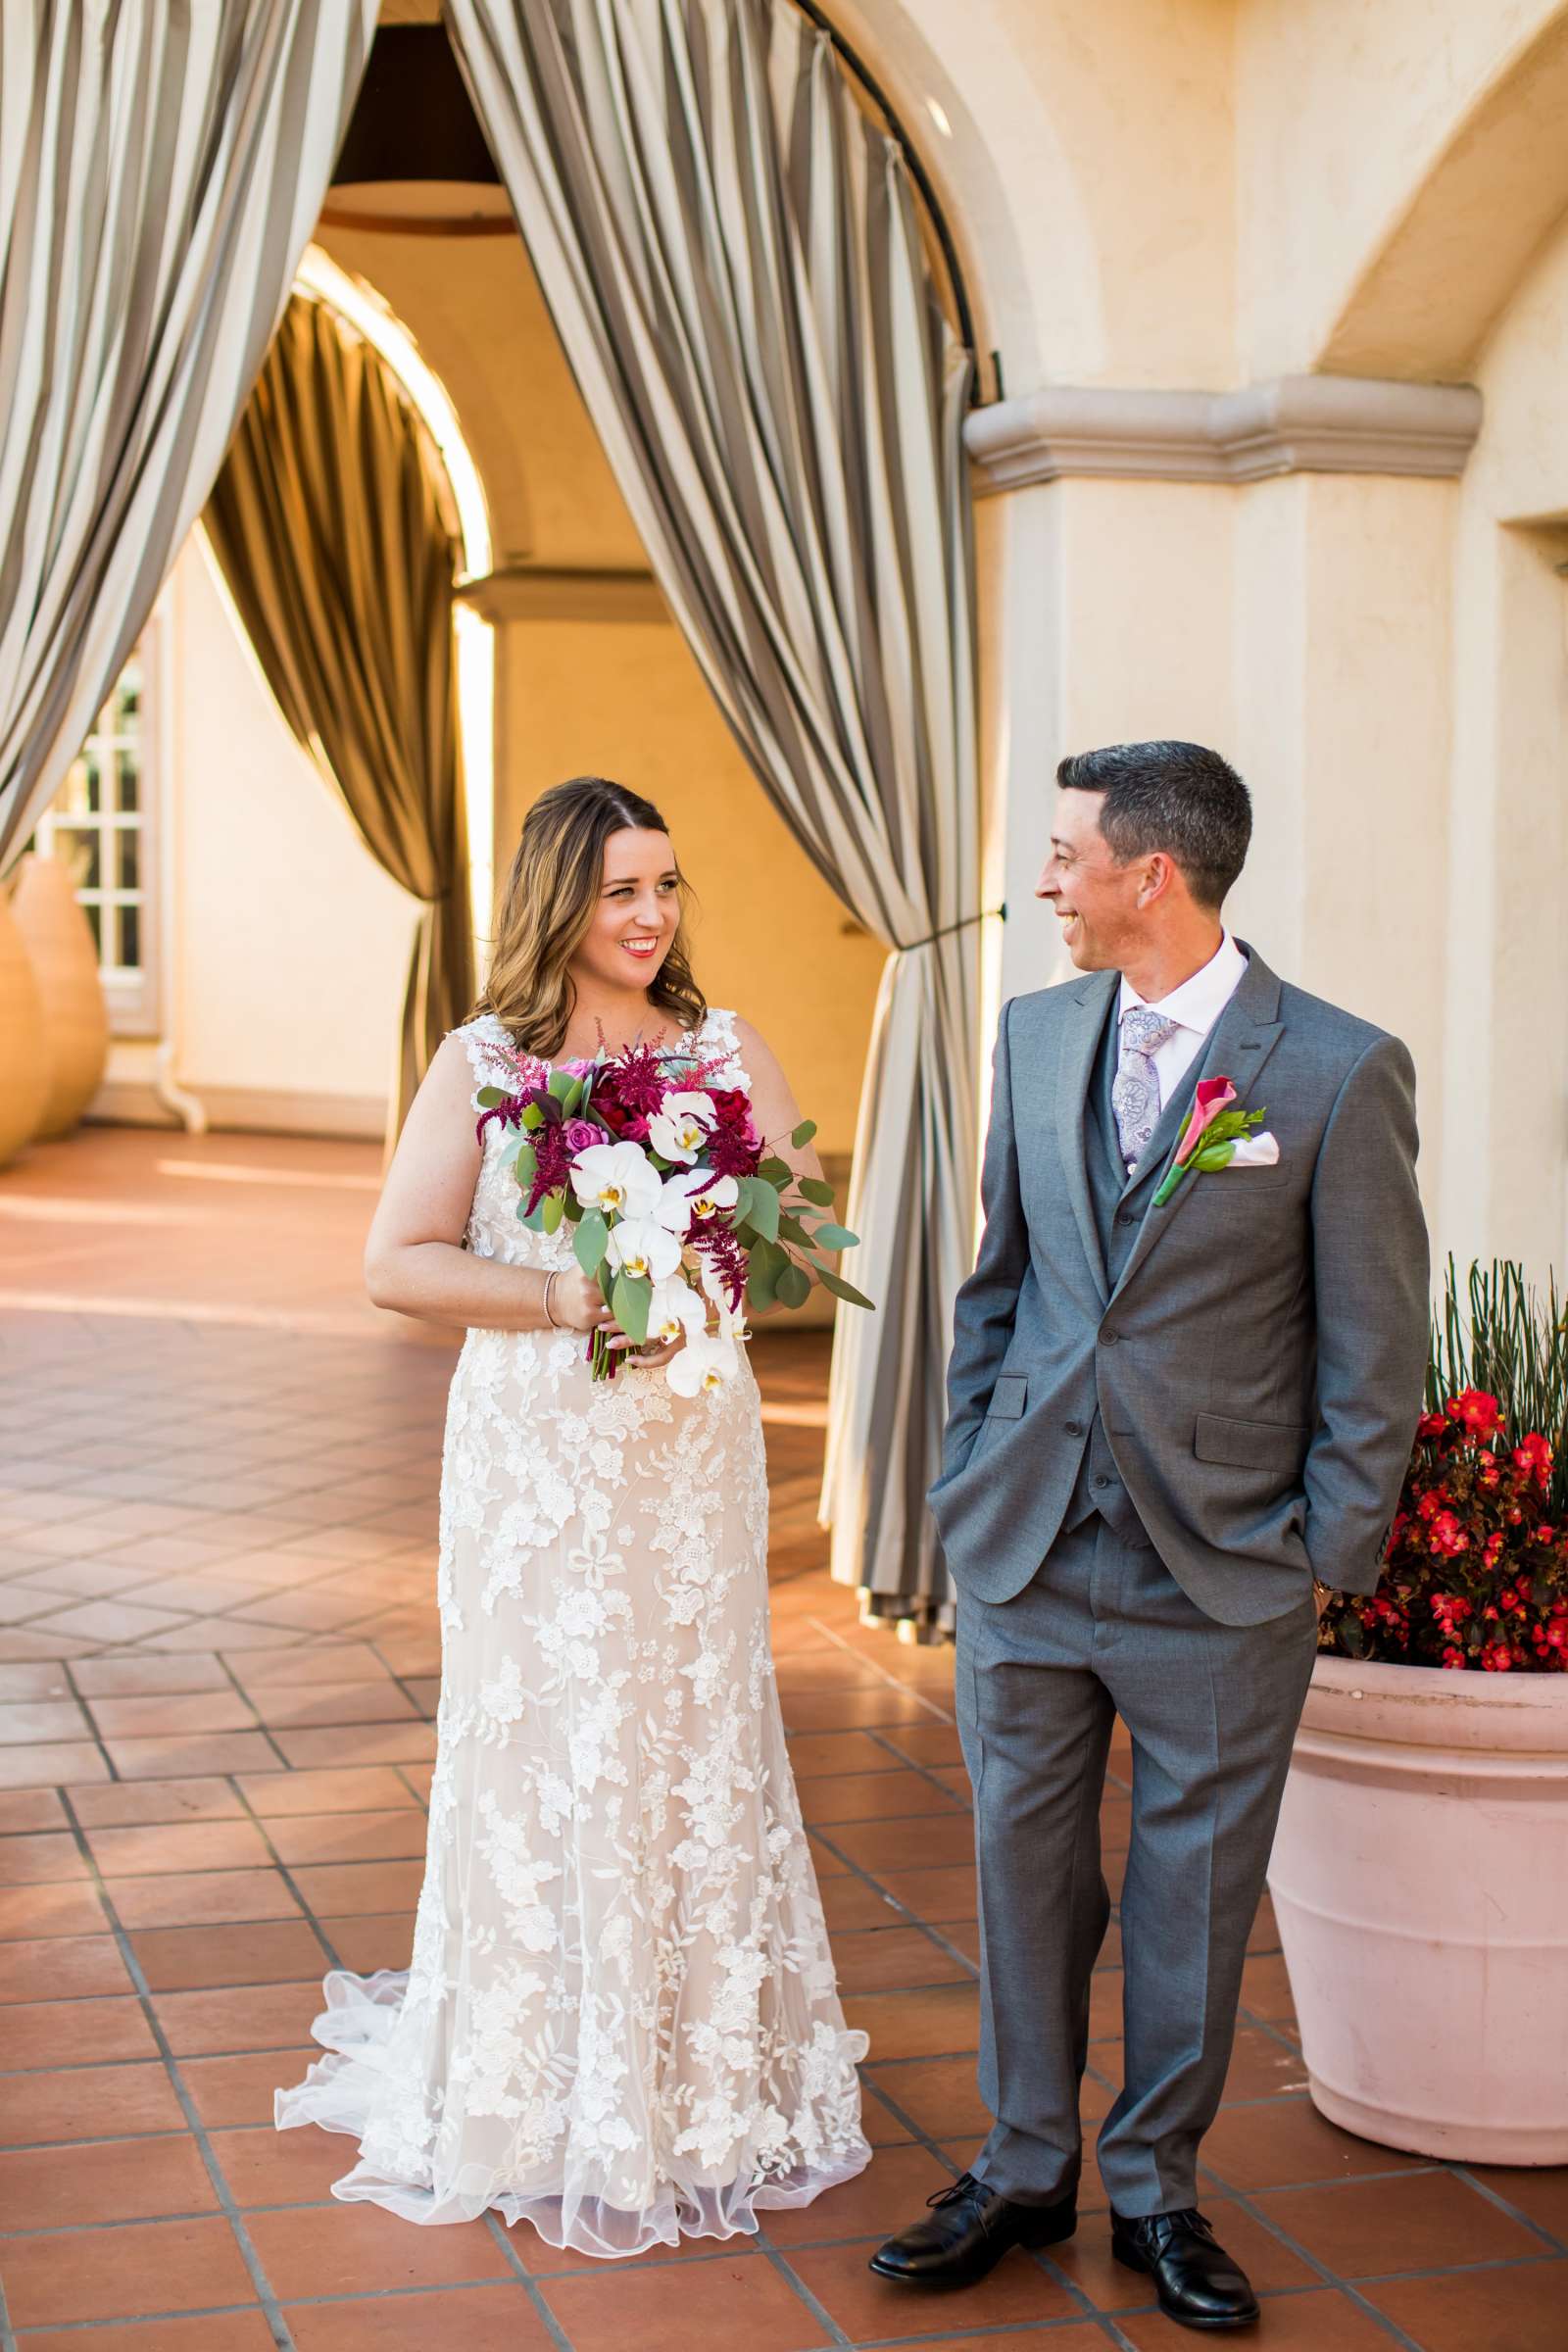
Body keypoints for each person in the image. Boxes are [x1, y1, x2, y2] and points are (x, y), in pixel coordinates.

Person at [871, 741, 1429, 2330]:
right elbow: (1001, 1282)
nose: (1046, 881)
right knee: (1020, 1867)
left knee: (1195, 1888)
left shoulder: (1330, 1067)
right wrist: (967, 1474)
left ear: (1149, 876)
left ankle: (1159, 2192)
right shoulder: (1037, 1036)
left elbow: (1372, 1346)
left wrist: (1323, 1554)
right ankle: (1024, 2163)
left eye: (1065, 856)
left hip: (1225, 1565)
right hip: (1029, 1547)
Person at [275, 775, 869, 2258]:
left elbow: (793, 1225)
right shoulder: (486, 1063)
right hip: (540, 1463)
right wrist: (570, 1292)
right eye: (621, 891)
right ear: (559, 899)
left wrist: (726, 1239)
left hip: (687, 1460)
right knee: (547, 1736)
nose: (653, 915)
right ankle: (544, 2085)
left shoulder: (726, 1045)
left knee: (693, 1727)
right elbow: (396, 1264)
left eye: (667, 886)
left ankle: (704, 2080)